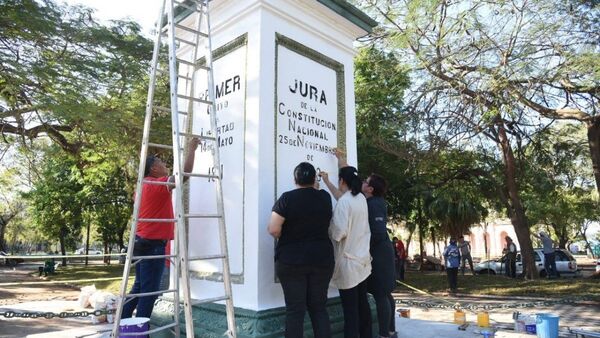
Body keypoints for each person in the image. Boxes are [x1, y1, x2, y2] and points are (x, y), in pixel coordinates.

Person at [122, 138, 199, 319]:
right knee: (149, 293)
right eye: (161, 163)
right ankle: (141, 330)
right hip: (151, 246)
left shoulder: (142, 186)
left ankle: (123, 323)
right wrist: (191, 149)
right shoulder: (156, 185)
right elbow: (184, 175)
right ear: (153, 169)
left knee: (140, 288)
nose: (165, 165)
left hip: (142, 243)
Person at [267, 162, 334, 338]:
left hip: (292, 260)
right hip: (321, 259)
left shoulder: (287, 198)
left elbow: (274, 229)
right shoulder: (325, 198)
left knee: (295, 311)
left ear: (295, 179)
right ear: (314, 179)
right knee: (319, 309)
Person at [321, 152, 372, 338]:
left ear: (342, 181)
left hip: (349, 263)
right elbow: (342, 197)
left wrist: (328, 227)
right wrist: (327, 182)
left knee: (350, 311)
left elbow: (338, 233)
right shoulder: (360, 199)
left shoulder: (345, 203)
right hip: (362, 260)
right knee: (362, 305)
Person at [362, 174, 397, 338]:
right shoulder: (374, 202)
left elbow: (376, 232)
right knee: (385, 293)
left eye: (365, 182)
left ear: (370, 189)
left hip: (379, 253)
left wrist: (362, 248)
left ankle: (385, 333)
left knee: (381, 293)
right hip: (382, 250)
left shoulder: (374, 204)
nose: (362, 182)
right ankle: (390, 330)